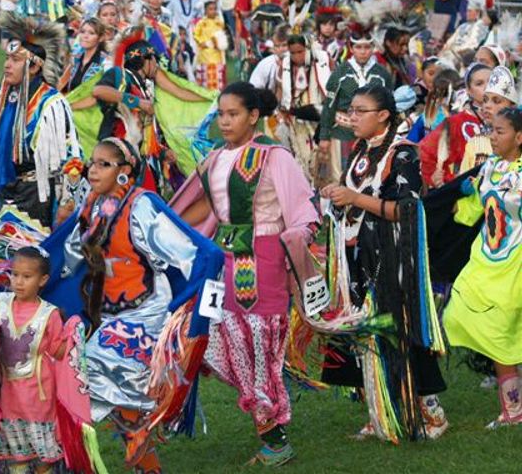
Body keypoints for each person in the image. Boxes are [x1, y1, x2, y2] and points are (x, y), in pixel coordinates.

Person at [42, 138, 224, 472]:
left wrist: (192, 314)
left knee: (87, 373)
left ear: (125, 172)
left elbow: (195, 253)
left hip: (147, 312)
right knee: (117, 394)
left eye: (104, 164)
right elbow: (67, 255)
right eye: (92, 163)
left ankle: (66, 460)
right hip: (109, 313)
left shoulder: (142, 207)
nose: (93, 170)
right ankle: (146, 463)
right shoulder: (94, 205)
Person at [172, 83, 319, 466]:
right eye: (221, 114)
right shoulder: (215, 159)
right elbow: (197, 209)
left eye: (233, 114)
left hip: (264, 262)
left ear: (253, 117)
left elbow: (303, 210)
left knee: (260, 348)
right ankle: (269, 431)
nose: (224, 121)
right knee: (222, 340)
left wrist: (299, 238)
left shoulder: (274, 158)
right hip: (223, 264)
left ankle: (274, 439)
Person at [320, 85, 448, 442]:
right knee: (364, 333)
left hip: (389, 259)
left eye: (361, 111)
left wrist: (355, 198)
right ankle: (379, 410)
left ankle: (431, 412)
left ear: (384, 117)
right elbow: (357, 196)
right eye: (352, 109)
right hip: (357, 257)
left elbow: (405, 209)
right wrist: (338, 196)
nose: (353, 116)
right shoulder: (361, 150)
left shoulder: (403, 154)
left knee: (400, 332)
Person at [0, 246, 98, 474]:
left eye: (27, 277)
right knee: (14, 459)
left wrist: (72, 335)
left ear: (43, 280)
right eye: (15, 274)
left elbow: (58, 353)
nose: (19, 282)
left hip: (39, 403)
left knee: (45, 460)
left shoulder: (49, 315)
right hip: (8, 402)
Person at [443, 106, 522, 429]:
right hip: (486, 261)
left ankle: (513, 410)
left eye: (500, 131)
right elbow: (473, 209)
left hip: (515, 262)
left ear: (519, 137)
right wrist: (450, 203)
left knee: (504, 334)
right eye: (491, 130)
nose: (493, 137)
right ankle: (513, 410)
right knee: (462, 317)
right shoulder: (489, 168)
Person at [0, 11, 82, 231]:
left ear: (34, 67)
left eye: (15, 60)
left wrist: (67, 201)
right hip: (3, 190)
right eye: (7, 59)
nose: (7, 65)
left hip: (37, 193)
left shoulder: (51, 104)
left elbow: (70, 154)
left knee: (32, 257)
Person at [90, 31, 213, 194]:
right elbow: (99, 91)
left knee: (144, 199)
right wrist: (137, 102)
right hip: (116, 154)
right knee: (116, 201)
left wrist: (162, 150)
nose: (156, 65)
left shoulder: (147, 88)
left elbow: (148, 131)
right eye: (154, 60)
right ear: (144, 60)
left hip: (139, 158)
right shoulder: (120, 75)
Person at [318, 30, 392, 184]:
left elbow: (389, 106)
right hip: (344, 132)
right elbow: (329, 106)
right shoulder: (340, 73)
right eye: (358, 47)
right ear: (351, 48)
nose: (363, 52)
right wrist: (324, 136)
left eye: (367, 47)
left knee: (370, 178)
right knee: (341, 177)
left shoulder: (382, 74)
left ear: (373, 48)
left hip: (374, 135)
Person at [419, 63, 496, 188]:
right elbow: (427, 152)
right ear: (469, 91)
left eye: (492, 81)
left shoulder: (512, 117)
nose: (487, 87)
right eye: (479, 83)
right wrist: (450, 181)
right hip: (469, 197)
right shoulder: (457, 122)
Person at [274, 34, 331, 180]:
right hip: (295, 119)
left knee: (322, 158)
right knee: (301, 157)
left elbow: (333, 87)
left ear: (308, 49)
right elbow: (279, 90)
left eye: (300, 52)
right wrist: (280, 112)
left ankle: (321, 191)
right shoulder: (285, 65)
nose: (296, 56)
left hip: (319, 116)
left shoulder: (322, 60)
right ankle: (305, 189)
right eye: (292, 52)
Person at [61, 17, 107, 93]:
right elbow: (62, 82)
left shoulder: (105, 63)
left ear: (101, 38)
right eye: (82, 32)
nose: (85, 36)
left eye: (91, 33)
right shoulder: (76, 58)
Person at [193, 0, 227, 91]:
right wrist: (201, 42)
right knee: (206, 77)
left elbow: (223, 36)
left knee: (217, 76)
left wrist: (219, 43)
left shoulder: (219, 23)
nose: (213, 11)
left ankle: (217, 95)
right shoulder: (201, 23)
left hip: (217, 53)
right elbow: (195, 34)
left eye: (215, 9)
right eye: (210, 9)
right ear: (205, 11)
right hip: (205, 52)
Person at [249, 24, 290, 93]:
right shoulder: (266, 64)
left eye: (284, 45)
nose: (281, 49)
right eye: (277, 46)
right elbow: (254, 89)